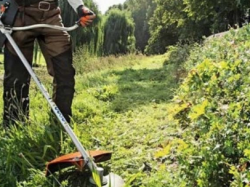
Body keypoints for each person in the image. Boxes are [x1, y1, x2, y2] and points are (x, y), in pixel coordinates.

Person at [2, 0, 96, 126]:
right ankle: (15, 125)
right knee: (16, 77)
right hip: (20, 14)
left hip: (51, 16)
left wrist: (79, 7)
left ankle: (60, 125)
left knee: (64, 72)